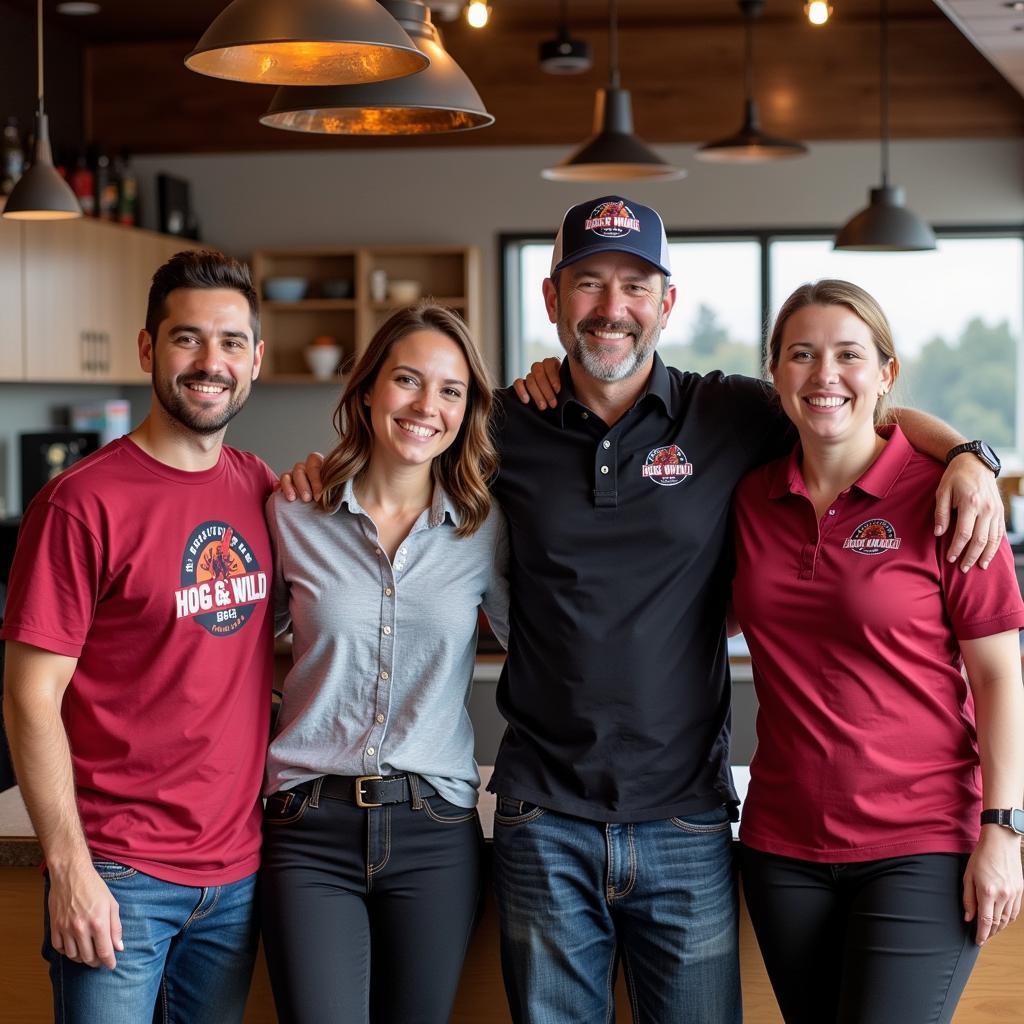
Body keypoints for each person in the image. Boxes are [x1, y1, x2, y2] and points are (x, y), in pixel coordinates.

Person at [283, 196, 1005, 1024]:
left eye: (635, 284)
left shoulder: (731, 413)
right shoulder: (500, 428)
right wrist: (315, 476)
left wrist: (968, 455)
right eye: (588, 283)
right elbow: (402, 450)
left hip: (688, 822)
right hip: (541, 817)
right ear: (553, 301)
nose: (611, 307)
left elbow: (854, 408)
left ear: (667, 303)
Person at [729, 279, 1024, 1024]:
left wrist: (1004, 829)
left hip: (921, 845)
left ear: (886, 374)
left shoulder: (952, 499)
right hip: (781, 844)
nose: (825, 375)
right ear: (776, 376)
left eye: (849, 355)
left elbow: (998, 678)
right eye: (802, 355)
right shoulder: (751, 498)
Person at [1, 250, 275, 1024]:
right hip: (118, 877)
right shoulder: (80, 503)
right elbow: (29, 698)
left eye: (229, 343)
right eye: (188, 340)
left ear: (255, 360)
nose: (209, 363)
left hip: (235, 878)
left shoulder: (262, 486)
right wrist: (69, 869)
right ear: (148, 350)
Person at [261, 302, 509, 1024]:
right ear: (368, 389)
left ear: (467, 410)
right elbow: (221, 645)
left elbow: (550, 646)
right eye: (407, 380)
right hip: (309, 827)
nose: (426, 406)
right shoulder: (290, 514)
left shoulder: (485, 528)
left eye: (451, 390)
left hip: (435, 831)